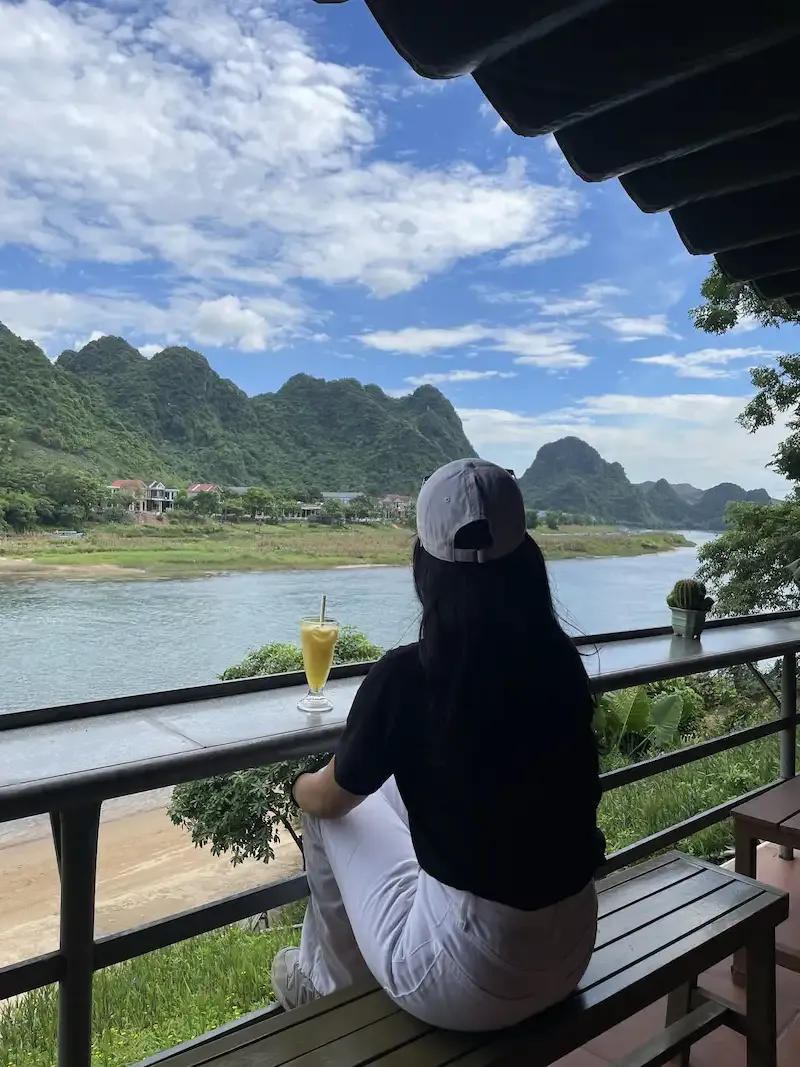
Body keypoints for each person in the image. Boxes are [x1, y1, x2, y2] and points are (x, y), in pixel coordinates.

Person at [271, 458, 604, 1032]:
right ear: (528, 559)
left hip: (469, 979)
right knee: (398, 786)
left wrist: (297, 784)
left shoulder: (409, 676)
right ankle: (341, 975)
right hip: (572, 946)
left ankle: (324, 987)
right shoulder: (561, 665)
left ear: (425, 567)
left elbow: (328, 799)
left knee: (325, 813)